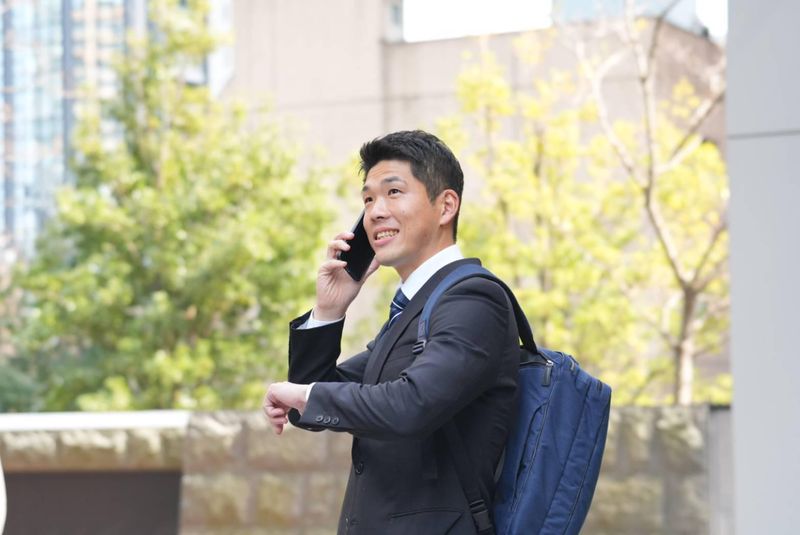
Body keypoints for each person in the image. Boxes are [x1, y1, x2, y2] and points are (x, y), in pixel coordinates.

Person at [263, 130, 518, 534]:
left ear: (446, 206)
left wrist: (304, 396)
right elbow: (312, 407)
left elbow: (411, 405)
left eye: (393, 192)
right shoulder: (416, 310)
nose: (375, 212)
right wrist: (329, 310)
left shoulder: (474, 299)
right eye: (368, 199)